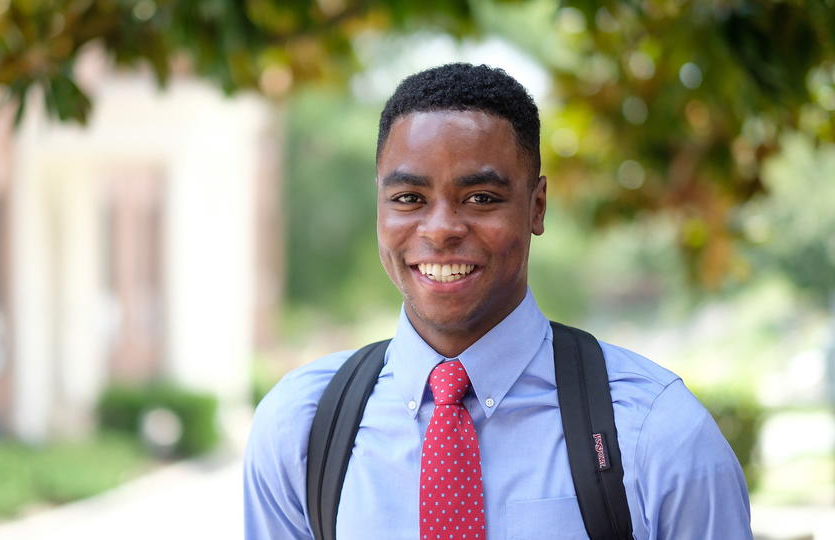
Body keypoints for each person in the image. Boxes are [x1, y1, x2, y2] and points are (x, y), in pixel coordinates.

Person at [244, 63, 752, 539]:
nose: (441, 229)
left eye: (481, 198)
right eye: (409, 199)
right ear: (378, 204)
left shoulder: (655, 434)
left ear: (537, 206)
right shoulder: (302, 429)